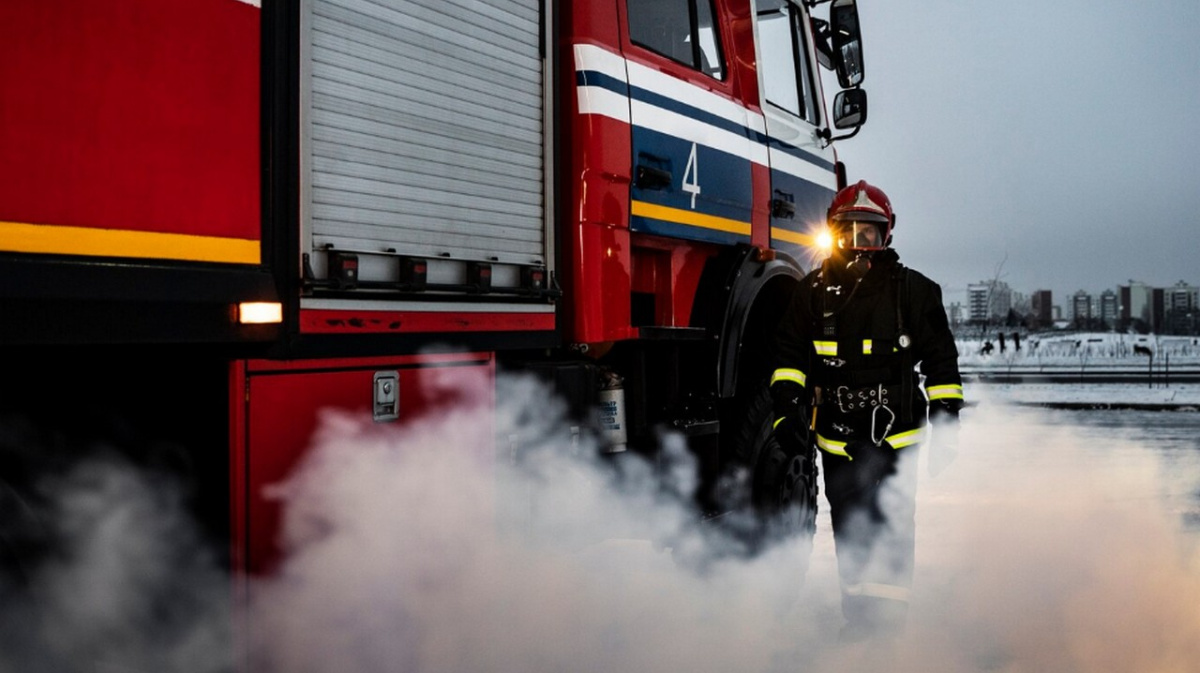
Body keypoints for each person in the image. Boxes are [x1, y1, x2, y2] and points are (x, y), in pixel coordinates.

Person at [769, 180, 964, 641]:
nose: (859, 243)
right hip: (837, 438)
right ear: (833, 234)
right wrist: (784, 411)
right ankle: (858, 620)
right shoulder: (811, 292)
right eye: (849, 232)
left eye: (870, 234)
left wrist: (948, 419)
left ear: (887, 236)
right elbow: (788, 356)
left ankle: (888, 630)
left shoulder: (914, 291)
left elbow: (941, 360)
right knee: (851, 528)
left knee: (893, 526)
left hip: (896, 438)